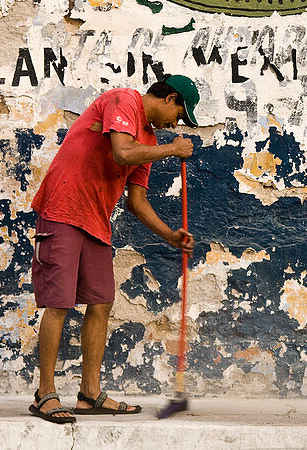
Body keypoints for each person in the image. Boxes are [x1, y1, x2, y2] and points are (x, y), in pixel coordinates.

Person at [27, 75, 200, 424]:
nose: (175, 124)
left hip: (96, 219)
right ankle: (45, 394)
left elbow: (136, 201)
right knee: (60, 304)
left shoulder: (148, 139)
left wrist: (171, 236)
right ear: (169, 98)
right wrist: (173, 149)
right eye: (180, 114)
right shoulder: (123, 100)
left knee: (101, 302)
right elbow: (122, 152)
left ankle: (89, 395)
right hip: (63, 208)